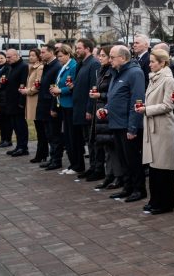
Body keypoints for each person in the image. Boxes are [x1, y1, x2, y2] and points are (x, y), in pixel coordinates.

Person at [138, 48, 174, 214]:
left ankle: (165, 203)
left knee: (164, 167)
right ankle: (155, 200)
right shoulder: (153, 78)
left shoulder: (168, 80)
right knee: (154, 166)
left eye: (153, 61)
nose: (150, 64)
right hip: (152, 126)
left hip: (162, 127)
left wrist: (147, 109)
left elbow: (168, 105)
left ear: (162, 63)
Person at [104, 45, 147, 202]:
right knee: (123, 159)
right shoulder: (116, 72)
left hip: (127, 125)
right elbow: (115, 96)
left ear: (123, 58)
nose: (110, 60)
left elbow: (137, 101)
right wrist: (106, 109)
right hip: (116, 123)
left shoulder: (135, 73)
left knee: (133, 159)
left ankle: (139, 189)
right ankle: (127, 187)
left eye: (112, 57)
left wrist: (133, 127)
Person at [90, 45, 121, 188]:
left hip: (109, 112)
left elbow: (115, 94)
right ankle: (109, 175)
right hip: (101, 111)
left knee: (113, 147)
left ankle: (117, 176)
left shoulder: (113, 72)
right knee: (106, 147)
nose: (99, 58)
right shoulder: (102, 71)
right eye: (99, 55)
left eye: (103, 55)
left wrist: (100, 95)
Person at [49, 45, 79, 173]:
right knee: (66, 135)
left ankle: (77, 164)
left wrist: (60, 90)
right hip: (63, 103)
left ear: (68, 54)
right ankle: (72, 164)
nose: (59, 59)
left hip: (70, 104)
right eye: (57, 56)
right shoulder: (63, 66)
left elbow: (74, 85)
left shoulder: (73, 66)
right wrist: (55, 90)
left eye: (61, 56)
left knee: (72, 136)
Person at [72, 38, 99, 178]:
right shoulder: (81, 64)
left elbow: (93, 87)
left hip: (87, 109)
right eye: (76, 48)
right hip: (79, 107)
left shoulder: (93, 64)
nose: (77, 51)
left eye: (79, 48)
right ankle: (92, 167)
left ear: (87, 49)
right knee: (87, 140)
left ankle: (96, 168)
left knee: (92, 139)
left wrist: (90, 109)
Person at [35, 45, 61, 166]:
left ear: (51, 53)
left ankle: (56, 160)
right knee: (48, 134)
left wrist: (53, 107)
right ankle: (52, 158)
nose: (41, 54)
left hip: (50, 105)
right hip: (44, 105)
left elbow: (54, 89)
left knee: (54, 134)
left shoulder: (56, 66)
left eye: (43, 52)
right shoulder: (47, 65)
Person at [3, 49, 29, 157]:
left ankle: (23, 147)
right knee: (14, 125)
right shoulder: (11, 67)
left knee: (20, 125)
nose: (7, 59)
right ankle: (18, 146)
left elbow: (23, 84)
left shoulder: (23, 66)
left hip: (18, 102)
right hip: (10, 101)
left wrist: (21, 102)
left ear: (16, 56)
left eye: (9, 57)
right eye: (7, 57)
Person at [22, 49, 43, 159]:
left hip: (36, 101)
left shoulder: (40, 68)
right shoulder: (31, 68)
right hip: (31, 100)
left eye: (33, 55)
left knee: (40, 130)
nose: (30, 57)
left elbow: (37, 85)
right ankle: (41, 153)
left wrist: (28, 91)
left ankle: (41, 154)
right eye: (29, 55)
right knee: (38, 128)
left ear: (39, 56)